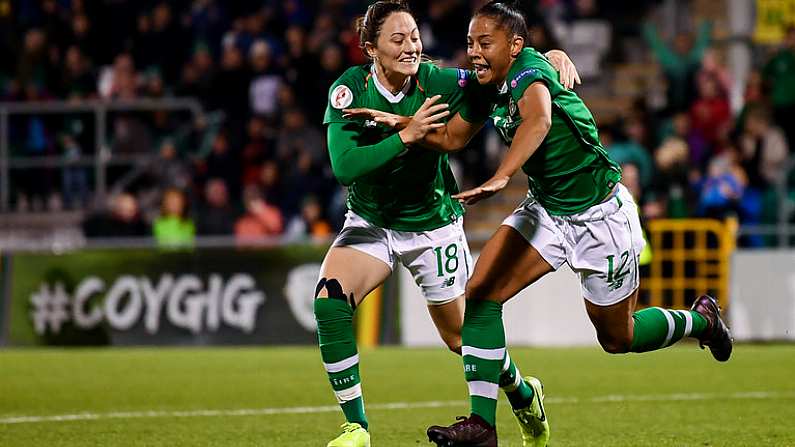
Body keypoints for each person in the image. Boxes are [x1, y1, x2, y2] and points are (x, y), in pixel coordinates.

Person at [416, 3, 733, 445]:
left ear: (515, 45)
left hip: (599, 216)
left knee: (618, 337)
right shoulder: (492, 81)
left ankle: (703, 321)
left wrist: (503, 174)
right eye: (470, 43)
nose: (475, 52)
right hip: (546, 210)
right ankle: (481, 426)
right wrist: (401, 128)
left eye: (485, 42)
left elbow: (540, 118)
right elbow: (448, 129)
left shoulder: (530, 72)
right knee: (482, 294)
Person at [315, 2, 580, 446]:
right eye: (397, 40)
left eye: (414, 36)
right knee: (329, 302)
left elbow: (497, 76)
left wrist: (545, 61)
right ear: (371, 48)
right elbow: (345, 166)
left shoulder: (436, 80)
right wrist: (406, 134)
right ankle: (356, 427)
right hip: (372, 220)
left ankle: (521, 391)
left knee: (461, 338)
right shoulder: (348, 91)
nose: (410, 46)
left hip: (431, 224)